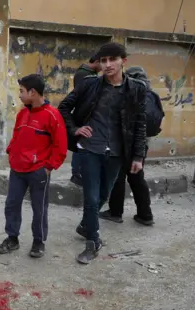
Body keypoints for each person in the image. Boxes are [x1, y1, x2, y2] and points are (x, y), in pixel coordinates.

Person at [58, 42, 148, 264]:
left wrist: (138, 157)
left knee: (104, 195)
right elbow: (63, 108)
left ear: (123, 61)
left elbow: (140, 124)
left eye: (112, 60)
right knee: (90, 197)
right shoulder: (89, 85)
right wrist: (75, 129)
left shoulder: (136, 88)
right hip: (90, 148)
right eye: (103, 60)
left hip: (117, 153)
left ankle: (85, 225)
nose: (107, 65)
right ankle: (93, 241)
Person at [0, 74, 67, 258]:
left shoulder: (52, 115)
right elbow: (16, 137)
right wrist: (11, 151)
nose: (19, 95)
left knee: (39, 208)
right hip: (17, 170)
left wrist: (49, 167)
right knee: (11, 204)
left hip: (38, 171)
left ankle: (38, 241)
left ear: (33, 92)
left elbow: (60, 146)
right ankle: (12, 239)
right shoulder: (22, 113)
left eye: (21, 91)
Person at [100, 66, 155, 226]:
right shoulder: (150, 93)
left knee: (118, 178)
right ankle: (145, 215)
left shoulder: (130, 93)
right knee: (137, 179)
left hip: (125, 144)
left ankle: (115, 212)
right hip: (142, 144)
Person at [70, 55, 102, 186]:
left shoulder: (87, 73)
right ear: (96, 61)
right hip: (84, 114)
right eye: (102, 62)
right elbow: (84, 96)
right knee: (80, 145)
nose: (103, 67)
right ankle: (77, 174)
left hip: (85, 113)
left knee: (82, 144)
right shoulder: (84, 74)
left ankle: (79, 173)